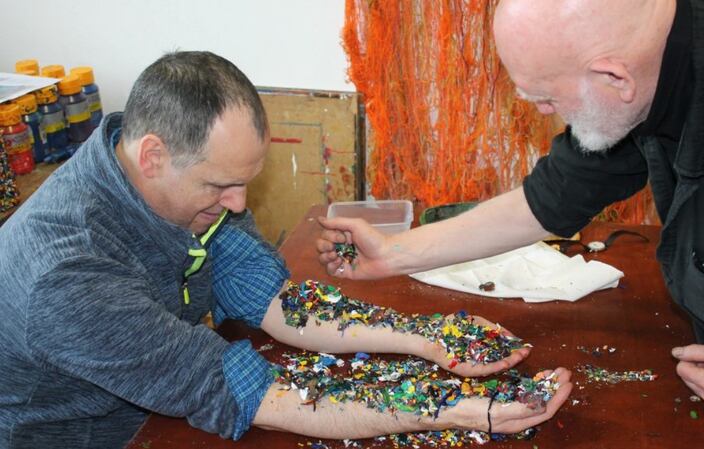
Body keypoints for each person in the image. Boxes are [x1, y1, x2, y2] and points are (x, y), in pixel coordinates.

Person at [0, 51, 572, 449]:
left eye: (245, 182)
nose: (238, 203)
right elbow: (249, 393)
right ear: (152, 156)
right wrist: (456, 409)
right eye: (221, 185)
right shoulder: (67, 276)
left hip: (159, 402)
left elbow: (275, 301)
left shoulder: (178, 181)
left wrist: (427, 337)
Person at [316, 1, 704, 448]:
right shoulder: (654, 55)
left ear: (614, 77)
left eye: (546, 97)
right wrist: (393, 253)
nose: (542, 112)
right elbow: (552, 197)